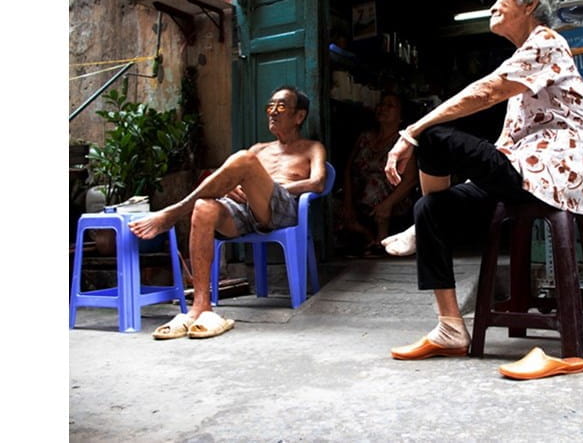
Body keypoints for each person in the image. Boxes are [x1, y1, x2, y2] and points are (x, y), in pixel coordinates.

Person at [384, 0, 583, 360]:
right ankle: (450, 327)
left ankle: (427, 217)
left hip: (548, 174)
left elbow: (484, 93)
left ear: (530, 3)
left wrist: (410, 131)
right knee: (428, 207)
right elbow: (506, 145)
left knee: (432, 138)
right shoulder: (525, 61)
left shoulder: (546, 42)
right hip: (525, 172)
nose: (494, 5)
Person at [129, 85, 327, 339]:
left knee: (243, 160)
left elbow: (318, 183)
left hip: (283, 210)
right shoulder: (259, 149)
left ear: (299, 116)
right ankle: (201, 305)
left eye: (281, 107)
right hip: (245, 212)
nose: (273, 113)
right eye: (270, 107)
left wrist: (269, 185)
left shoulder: (312, 148)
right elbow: (232, 181)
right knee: (204, 207)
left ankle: (173, 212)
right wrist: (235, 189)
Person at [338, 92, 418, 257]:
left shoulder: (403, 141)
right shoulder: (365, 138)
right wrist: (347, 203)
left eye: (390, 106)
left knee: (374, 184)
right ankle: (367, 236)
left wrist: (387, 204)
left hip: (391, 197)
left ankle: (381, 240)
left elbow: (411, 179)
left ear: (401, 116)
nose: (383, 108)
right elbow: (348, 169)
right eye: (381, 104)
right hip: (359, 193)